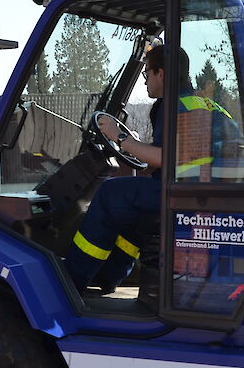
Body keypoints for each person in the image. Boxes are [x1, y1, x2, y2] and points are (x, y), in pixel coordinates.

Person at [64, 44, 235, 295]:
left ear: (161, 74)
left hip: (186, 195)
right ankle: (109, 278)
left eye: (147, 74)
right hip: (209, 194)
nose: (145, 82)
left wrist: (120, 137)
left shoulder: (173, 106)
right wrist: (135, 145)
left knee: (110, 194)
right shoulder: (205, 105)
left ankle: (72, 279)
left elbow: (163, 157)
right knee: (131, 212)